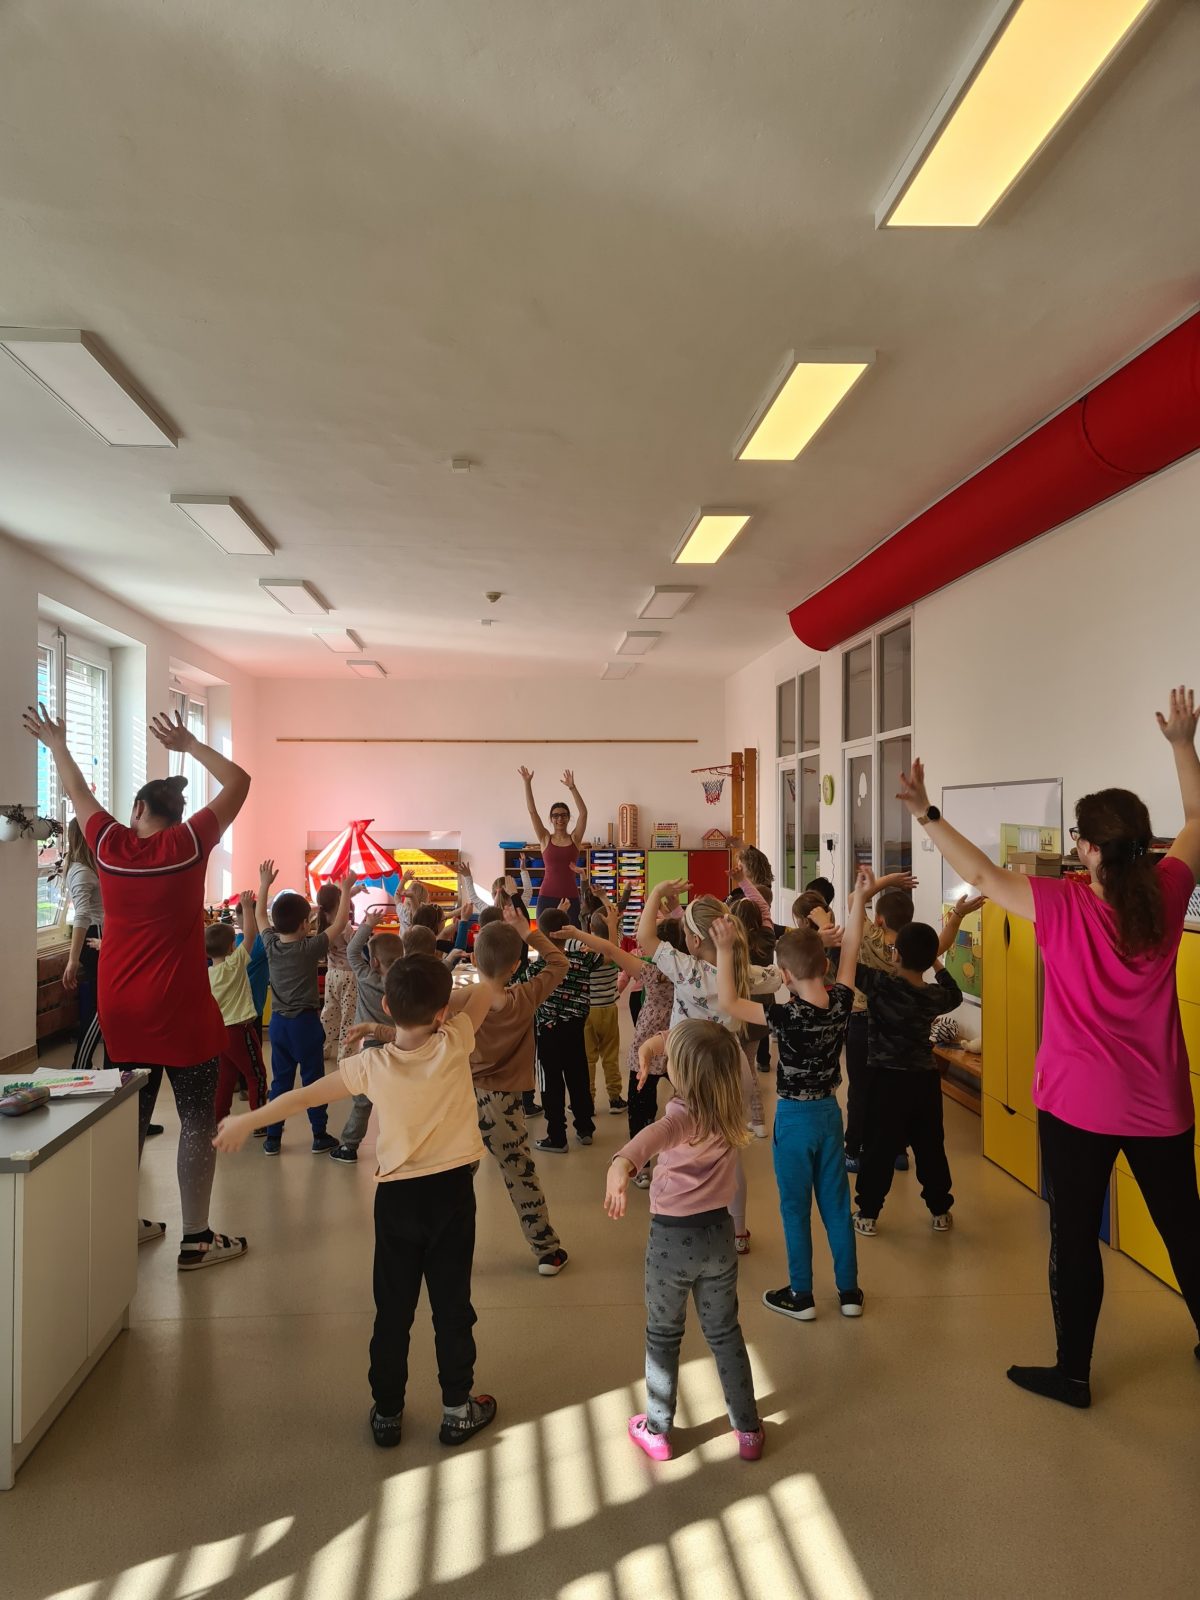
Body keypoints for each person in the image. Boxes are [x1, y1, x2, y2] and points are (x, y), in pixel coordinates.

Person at [897, 687, 1200, 1408]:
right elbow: (1197, 819)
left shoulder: (1062, 904)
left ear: (1090, 850)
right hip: (1159, 1104)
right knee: (1186, 1230)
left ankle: (1074, 1373)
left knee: (1073, 1239)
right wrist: (1182, 743)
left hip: (1077, 1107)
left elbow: (979, 876)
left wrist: (927, 813)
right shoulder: (1167, 891)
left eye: (1079, 839)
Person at [215, 955, 503, 1448]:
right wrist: (449, 995)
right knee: (452, 1305)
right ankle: (457, 1409)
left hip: (396, 1200)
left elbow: (304, 1097)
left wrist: (249, 1119)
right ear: (440, 1014)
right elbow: (484, 990)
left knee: (392, 1309)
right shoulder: (454, 1039)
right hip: (451, 1193)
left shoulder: (371, 1065)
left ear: (386, 1005)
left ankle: (387, 1412)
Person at [24, 702, 250, 1269]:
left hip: (122, 1011)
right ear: (177, 814)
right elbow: (240, 782)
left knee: (130, 1117)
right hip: (181, 1011)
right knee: (196, 1117)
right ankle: (196, 1239)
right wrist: (190, 745)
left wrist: (56, 743)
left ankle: (121, 1225)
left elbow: (77, 791)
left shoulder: (108, 845)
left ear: (138, 810)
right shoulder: (190, 843)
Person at [713, 868, 872, 1322]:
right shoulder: (841, 1001)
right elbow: (852, 949)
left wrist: (724, 950)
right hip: (829, 1115)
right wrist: (859, 900)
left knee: (794, 1208)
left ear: (784, 975)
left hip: (794, 1120)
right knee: (837, 1206)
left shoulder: (784, 1015)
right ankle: (849, 1292)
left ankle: (801, 1294)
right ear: (824, 966)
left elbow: (728, 1002)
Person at [606, 1020, 764, 1463]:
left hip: (671, 1242)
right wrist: (654, 1046)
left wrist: (621, 1165)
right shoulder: (729, 1107)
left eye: (671, 1060)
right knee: (725, 1332)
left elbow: (649, 1139)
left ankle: (657, 1430)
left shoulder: (681, 1116)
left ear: (683, 1074)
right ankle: (748, 1429)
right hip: (719, 1236)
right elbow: (698, 1043)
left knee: (663, 1333)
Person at [636, 882, 778, 1253]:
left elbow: (645, 938)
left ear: (695, 941)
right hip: (732, 1066)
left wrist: (657, 893)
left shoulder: (687, 970)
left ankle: (690, 1211)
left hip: (694, 1067)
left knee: (685, 1142)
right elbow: (782, 976)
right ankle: (739, 1231)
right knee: (730, 1151)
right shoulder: (744, 971)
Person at [459, 907, 570, 1273]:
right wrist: (529, 933)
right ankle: (547, 1251)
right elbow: (559, 963)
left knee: (456, 1177)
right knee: (520, 1173)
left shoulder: (462, 1000)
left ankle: (445, 1251)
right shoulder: (525, 996)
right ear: (516, 966)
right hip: (505, 1104)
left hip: (462, 1099)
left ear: (474, 959)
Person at [851, 917, 962, 1237]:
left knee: (878, 1148)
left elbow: (845, 965)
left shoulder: (881, 985)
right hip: (924, 1081)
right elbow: (954, 993)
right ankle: (940, 1210)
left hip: (885, 1081)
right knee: (930, 1146)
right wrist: (935, 961)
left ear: (896, 954)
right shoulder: (934, 996)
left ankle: (868, 1213)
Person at [255, 858, 355, 1156]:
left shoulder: (271, 945)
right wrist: (345, 889)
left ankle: (273, 1138)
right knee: (313, 1081)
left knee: (280, 1082)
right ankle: (319, 1135)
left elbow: (260, 915)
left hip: (279, 1026)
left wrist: (264, 884)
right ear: (304, 924)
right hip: (306, 1025)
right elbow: (339, 924)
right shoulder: (309, 948)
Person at [329, 911, 405, 1164]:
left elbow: (352, 951)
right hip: (399, 1045)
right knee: (397, 1098)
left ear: (373, 962)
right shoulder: (403, 983)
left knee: (363, 1100)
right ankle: (401, 1144)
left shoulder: (367, 976)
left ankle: (349, 1146)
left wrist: (368, 924)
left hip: (372, 1047)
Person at [531, 907, 600, 1154]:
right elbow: (608, 953)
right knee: (578, 1076)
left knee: (550, 1083)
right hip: (576, 1028)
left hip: (548, 1033)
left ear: (542, 935)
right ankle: (585, 1128)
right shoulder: (581, 959)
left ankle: (557, 1136)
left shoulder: (537, 969)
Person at [207, 896, 269, 1127]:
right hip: (240, 1030)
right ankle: (260, 1121)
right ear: (232, 947)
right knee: (256, 1075)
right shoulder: (234, 964)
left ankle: (218, 1121)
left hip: (219, 1034)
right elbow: (251, 936)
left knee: (225, 1079)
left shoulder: (207, 975)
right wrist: (248, 909)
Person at [60, 818, 107, 1072]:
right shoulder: (81, 872)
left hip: (99, 935)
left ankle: (85, 1064)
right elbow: (82, 916)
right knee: (103, 1009)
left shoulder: (89, 867)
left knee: (104, 1007)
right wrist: (73, 959)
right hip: (94, 938)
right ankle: (80, 1065)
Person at [517, 765, 588, 923]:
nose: (560, 818)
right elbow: (532, 812)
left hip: (570, 897)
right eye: (555, 816)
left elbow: (583, 813)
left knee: (572, 936)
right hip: (547, 897)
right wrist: (527, 783)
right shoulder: (545, 838)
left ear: (568, 818)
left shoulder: (575, 839)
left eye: (563, 815)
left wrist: (572, 787)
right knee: (545, 936)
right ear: (551, 819)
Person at [583, 887, 627, 1114]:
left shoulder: (583, 950)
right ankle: (615, 1098)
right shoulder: (614, 949)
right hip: (609, 1009)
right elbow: (615, 920)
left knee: (587, 1058)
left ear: (590, 929)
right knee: (610, 1056)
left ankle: (588, 1100)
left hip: (587, 1011)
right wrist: (603, 898)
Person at [317, 882, 358, 1061]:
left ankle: (322, 1049)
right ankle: (345, 1056)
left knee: (329, 1014)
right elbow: (356, 947)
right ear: (339, 902)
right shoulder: (345, 926)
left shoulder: (323, 921)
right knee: (348, 1017)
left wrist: (352, 891)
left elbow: (339, 902)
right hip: (349, 976)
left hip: (331, 974)